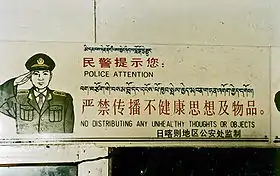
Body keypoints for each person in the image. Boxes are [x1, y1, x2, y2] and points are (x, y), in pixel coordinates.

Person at [0, 53, 74, 134]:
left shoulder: (63, 99)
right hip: (26, 146)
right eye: (36, 74)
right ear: (30, 77)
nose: (40, 78)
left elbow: (68, 132)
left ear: (50, 76)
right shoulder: (19, 98)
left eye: (45, 74)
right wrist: (15, 82)